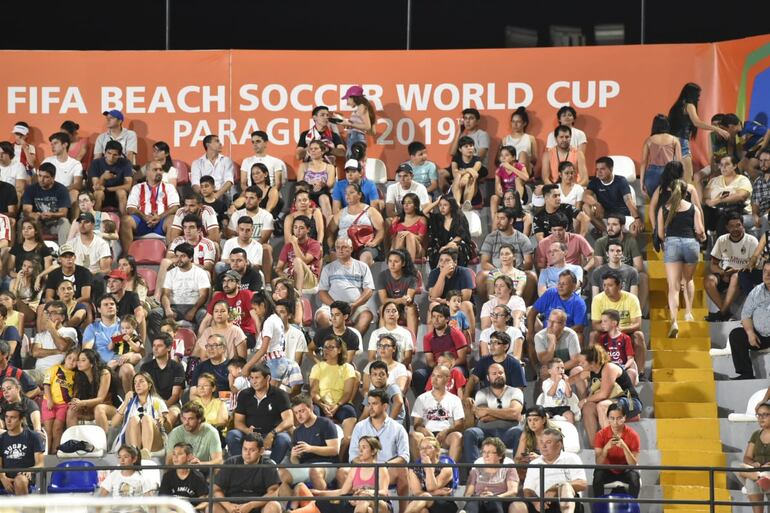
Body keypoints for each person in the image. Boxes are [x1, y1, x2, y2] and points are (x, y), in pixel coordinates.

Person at [345, 389, 410, 505]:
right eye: (368, 404)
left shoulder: (398, 428)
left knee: (403, 471)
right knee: (341, 472)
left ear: (385, 406)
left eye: (374, 404)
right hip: (364, 467)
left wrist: (383, 466)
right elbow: (353, 455)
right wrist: (366, 467)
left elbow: (404, 456)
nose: (370, 408)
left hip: (387, 469)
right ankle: (353, 506)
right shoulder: (359, 427)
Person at [658, 179, 706, 334]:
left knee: (674, 287)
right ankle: (689, 312)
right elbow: (699, 231)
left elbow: (660, 233)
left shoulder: (663, 209)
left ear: (670, 191)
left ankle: (674, 321)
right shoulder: (694, 209)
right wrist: (703, 236)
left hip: (672, 244)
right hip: (690, 244)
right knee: (688, 280)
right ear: (686, 193)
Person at [295, 435, 390, 513]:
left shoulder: (380, 468)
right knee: (365, 508)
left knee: (364, 502)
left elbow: (384, 492)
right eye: (359, 447)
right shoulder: (355, 468)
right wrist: (321, 493)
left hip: (380, 503)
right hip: (358, 503)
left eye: (364, 447)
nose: (360, 451)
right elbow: (342, 492)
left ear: (373, 451)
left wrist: (369, 492)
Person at [226, 364, 293, 463]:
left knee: (284, 438)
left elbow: (289, 420)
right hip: (250, 434)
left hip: (272, 434)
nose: (253, 381)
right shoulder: (244, 394)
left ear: (268, 378)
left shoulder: (280, 395)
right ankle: (243, 467)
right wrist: (247, 430)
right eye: (251, 378)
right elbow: (238, 422)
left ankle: (270, 468)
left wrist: (272, 433)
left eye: (257, 378)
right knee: (232, 435)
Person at [577, 345, 642, 443]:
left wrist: (585, 399)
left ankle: (612, 445)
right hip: (612, 402)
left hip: (630, 402)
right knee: (588, 408)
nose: (579, 364)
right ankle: (595, 446)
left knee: (602, 405)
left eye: (582, 362)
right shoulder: (592, 371)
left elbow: (604, 395)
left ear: (592, 363)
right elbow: (574, 379)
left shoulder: (609, 367)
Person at [462, 363, 524, 464]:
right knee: (470, 433)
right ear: (488, 377)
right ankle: (473, 472)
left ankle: (518, 471)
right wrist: (507, 414)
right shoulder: (481, 393)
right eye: (494, 373)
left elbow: (515, 413)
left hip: (508, 432)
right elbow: (483, 417)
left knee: (519, 431)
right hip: (485, 432)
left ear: (505, 375)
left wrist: (488, 410)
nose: (498, 375)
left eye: (500, 373)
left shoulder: (515, 391)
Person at [668, 83, 729, 183]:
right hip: (682, 143)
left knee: (675, 178)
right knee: (687, 179)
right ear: (691, 95)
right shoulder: (689, 106)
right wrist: (718, 129)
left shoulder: (676, 107)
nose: (698, 99)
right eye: (697, 96)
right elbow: (697, 122)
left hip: (671, 144)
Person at [279, 394, 340, 495]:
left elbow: (334, 450)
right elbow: (296, 463)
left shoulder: (326, 423)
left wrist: (311, 448)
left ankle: (324, 505)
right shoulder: (297, 432)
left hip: (328, 465)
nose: (299, 416)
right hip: (305, 466)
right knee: (280, 474)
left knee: (314, 471)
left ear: (311, 408)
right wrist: (294, 456)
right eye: (296, 412)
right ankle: (289, 507)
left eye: (302, 411)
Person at [589, 272, 646, 378]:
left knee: (639, 335)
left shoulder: (631, 299)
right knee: (593, 335)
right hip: (605, 332)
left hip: (625, 332)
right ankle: (594, 371)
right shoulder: (598, 299)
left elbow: (637, 324)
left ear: (620, 286)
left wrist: (619, 329)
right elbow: (595, 324)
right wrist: (610, 329)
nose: (606, 289)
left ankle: (640, 373)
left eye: (610, 285)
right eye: (604, 285)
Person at [704, 211, 758, 321]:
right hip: (725, 274)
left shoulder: (751, 241)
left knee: (736, 277)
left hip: (743, 276)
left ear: (743, 225)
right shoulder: (722, 240)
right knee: (708, 280)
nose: (735, 229)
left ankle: (721, 313)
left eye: (738, 225)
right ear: (727, 228)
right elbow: (713, 265)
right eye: (731, 226)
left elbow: (755, 266)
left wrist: (735, 271)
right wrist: (722, 272)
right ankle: (725, 312)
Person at [149, 243, 211, 337]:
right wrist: (167, 309)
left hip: (194, 307)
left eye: (183, 256)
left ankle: (199, 343)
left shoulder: (200, 273)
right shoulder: (170, 273)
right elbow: (165, 295)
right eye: (177, 256)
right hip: (175, 308)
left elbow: (204, 295)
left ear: (190, 258)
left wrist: (193, 310)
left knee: (204, 315)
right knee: (154, 313)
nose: (179, 259)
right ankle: (162, 341)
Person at [120, 159, 180, 255]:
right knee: (126, 220)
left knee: (173, 219)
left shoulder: (169, 187)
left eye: (160, 170)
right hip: (142, 222)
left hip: (161, 222)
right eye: (155, 170)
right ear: (147, 173)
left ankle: (170, 257)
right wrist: (145, 217)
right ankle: (127, 257)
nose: (159, 172)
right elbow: (130, 208)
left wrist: (159, 217)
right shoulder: (137, 188)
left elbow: (175, 207)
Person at [316, 238, 375, 335]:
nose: (340, 250)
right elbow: (322, 293)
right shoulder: (328, 268)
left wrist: (354, 305)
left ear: (351, 249)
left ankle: (352, 343)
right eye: (338, 247)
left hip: (356, 306)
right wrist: (336, 307)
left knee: (367, 316)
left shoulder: (362, 267)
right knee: (322, 316)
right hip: (332, 305)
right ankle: (335, 343)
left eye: (344, 247)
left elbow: (368, 291)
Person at [522, 428, 587, 513]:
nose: (543, 446)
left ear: (559, 445)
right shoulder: (534, 463)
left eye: (548, 442)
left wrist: (556, 488)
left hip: (566, 501)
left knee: (565, 487)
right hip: (542, 504)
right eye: (541, 442)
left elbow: (582, 483)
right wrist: (536, 502)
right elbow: (528, 490)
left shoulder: (571, 458)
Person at [214, 432, 282, 513]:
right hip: (232, 506)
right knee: (212, 507)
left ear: (261, 451)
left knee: (274, 506)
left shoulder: (268, 465)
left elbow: (273, 492)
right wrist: (228, 506)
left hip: (258, 506)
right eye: (245, 449)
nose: (247, 453)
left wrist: (251, 505)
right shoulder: (231, 462)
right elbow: (216, 489)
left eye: (252, 450)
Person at [411, 364, 464, 462]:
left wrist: (446, 431)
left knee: (457, 436)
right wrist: (424, 431)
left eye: (439, 376)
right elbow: (416, 424)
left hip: (446, 436)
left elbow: (459, 424)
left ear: (447, 379)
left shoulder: (455, 399)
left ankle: (450, 471)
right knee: (414, 435)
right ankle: (419, 469)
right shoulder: (421, 398)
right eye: (433, 376)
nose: (434, 379)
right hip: (427, 434)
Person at [478, 209, 534, 301]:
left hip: (517, 272)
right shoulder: (490, 237)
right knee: (481, 275)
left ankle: (524, 308)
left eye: (502, 218)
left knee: (531, 275)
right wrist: (501, 272)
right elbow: (484, 262)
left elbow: (529, 263)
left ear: (511, 221)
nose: (498, 222)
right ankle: (488, 304)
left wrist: (513, 271)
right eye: (497, 218)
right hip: (496, 271)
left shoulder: (522, 238)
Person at [309, 335, 358, 439]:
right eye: (325, 347)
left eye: (331, 347)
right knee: (313, 411)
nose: (327, 350)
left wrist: (336, 406)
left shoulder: (347, 368)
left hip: (340, 405)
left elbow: (347, 393)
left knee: (350, 411)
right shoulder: (318, 367)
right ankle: (315, 442)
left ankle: (346, 443)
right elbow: (314, 392)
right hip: (321, 404)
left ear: (339, 350)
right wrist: (323, 405)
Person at [728, 261, 770, 380]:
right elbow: (746, 315)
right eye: (765, 272)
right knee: (736, 335)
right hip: (759, 337)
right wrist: (750, 333)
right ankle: (746, 373)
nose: (767, 275)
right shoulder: (756, 291)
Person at [413, 304, 468, 393]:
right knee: (418, 374)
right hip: (437, 366)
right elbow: (429, 360)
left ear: (447, 319)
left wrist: (447, 366)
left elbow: (462, 359)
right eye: (434, 317)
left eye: (440, 317)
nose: (436, 320)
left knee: (456, 371)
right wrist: (439, 368)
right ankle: (425, 402)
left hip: (454, 365)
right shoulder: (427, 337)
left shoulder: (456, 334)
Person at [110, 372, 168, 456]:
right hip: (132, 439)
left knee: (146, 418)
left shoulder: (157, 401)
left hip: (154, 441)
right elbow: (114, 424)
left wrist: (163, 419)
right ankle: (135, 453)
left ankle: (145, 452)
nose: (137, 384)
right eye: (135, 382)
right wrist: (126, 402)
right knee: (134, 419)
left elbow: (168, 426)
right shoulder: (129, 401)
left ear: (149, 385)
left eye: (141, 381)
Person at [328, 183, 385, 267]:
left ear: (359, 195)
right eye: (346, 193)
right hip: (344, 245)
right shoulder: (340, 213)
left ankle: (362, 279)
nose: (348, 195)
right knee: (335, 255)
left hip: (364, 246)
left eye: (351, 192)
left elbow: (381, 229)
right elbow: (329, 230)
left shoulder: (370, 211)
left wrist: (375, 242)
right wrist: (332, 245)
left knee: (365, 256)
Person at [583, 157, 643, 236]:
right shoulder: (595, 182)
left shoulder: (621, 181)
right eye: (597, 169)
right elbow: (585, 196)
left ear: (611, 169)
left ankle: (625, 247)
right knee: (585, 206)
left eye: (602, 169)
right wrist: (596, 204)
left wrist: (637, 218)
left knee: (635, 228)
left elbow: (628, 200)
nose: (599, 172)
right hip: (606, 217)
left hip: (622, 216)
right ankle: (608, 234)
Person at [526, 271, 586, 348]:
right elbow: (533, 312)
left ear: (573, 287)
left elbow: (580, 326)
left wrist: (559, 334)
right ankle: (534, 360)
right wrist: (530, 332)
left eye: (564, 284)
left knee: (579, 337)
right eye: (559, 283)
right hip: (546, 331)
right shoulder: (551, 293)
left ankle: (576, 359)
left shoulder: (579, 303)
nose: (560, 286)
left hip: (566, 334)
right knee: (531, 336)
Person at [225, 186, 274, 281]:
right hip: (238, 247)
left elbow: (264, 238)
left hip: (257, 248)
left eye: (252, 198)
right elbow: (230, 235)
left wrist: (250, 247)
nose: (248, 201)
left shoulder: (266, 216)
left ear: (259, 199)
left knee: (267, 248)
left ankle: (267, 283)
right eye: (246, 198)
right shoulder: (237, 214)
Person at [592, 403, 641, 498]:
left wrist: (624, 447)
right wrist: (606, 448)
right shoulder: (600, 435)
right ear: (608, 418)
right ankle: (598, 506)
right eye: (612, 418)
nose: (615, 422)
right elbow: (598, 463)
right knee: (598, 474)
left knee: (634, 476)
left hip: (626, 470)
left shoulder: (633, 435)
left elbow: (633, 464)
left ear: (624, 418)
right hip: (607, 470)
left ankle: (633, 507)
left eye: (619, 418)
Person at [138, 333, 185, 430]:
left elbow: (175, 395)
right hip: (149, 402)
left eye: (159, 346)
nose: (155, 349)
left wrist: (162, 407)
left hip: (171, 404)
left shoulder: (177, 367)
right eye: (154, 346)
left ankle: (164, 441)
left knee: (172, 414)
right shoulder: (145, 367)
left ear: (169, 348)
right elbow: (142, 391)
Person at [198, 272, 254, 352]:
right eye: (224, 281)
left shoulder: (246, 294)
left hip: (245, 333)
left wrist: (259, 341)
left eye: (230, 281)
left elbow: (256, 318)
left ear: (238, 283)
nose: (226, 284)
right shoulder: (219, 296)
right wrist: (200, 340)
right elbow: (206, 321)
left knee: (227, 341)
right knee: (205, 341)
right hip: (224, 333)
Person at [465, 436, 522, 513]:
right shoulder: (476, 470)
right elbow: (468, 494)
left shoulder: (508, 469)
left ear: (500, 455)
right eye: (484, 452)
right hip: (479, 501)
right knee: (473, 503)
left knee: (493, 503)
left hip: (500, 501)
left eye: (489, 452)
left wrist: (494, 497)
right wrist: (480, 497)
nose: (486, 455)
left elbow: (513, 491)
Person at [402, 435, 458, 513]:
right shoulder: (413, 470)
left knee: (425, 496)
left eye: (428, 447)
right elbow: (417, 493)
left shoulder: (446, 468)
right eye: (422, 448)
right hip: (422, 503)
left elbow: (431, 487)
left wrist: (428, 467)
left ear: (437, 450)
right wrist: (436, 492)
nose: (424, 451)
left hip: (444, 504)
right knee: (423, 511)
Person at [67, 349, 117, 432]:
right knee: (72, 409)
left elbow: (100, 399)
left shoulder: (104, 373)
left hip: (107, 408)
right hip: (89, 410)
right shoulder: (79, 376)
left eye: (83, 360)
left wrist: (81, 402)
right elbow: (76, 396)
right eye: (78, 360)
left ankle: (104, 442)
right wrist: (75, 401)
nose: (79, 362)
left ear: (92, 363)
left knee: (99, 408)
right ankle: (72, 443)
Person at [0, 402, 44, 496]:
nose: (8, 421)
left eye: (13, 417)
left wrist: (31, 470)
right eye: (7, 417)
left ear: (21, 419)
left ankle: (23, 510)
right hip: (4, 476)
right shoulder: (1, 438)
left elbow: (40, 464)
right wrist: (3, 478)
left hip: (25, 478)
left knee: (20, 480)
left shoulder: (33, 436)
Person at [22, 162, 71, 245]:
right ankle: (25, 251)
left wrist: (52, 214)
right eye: (40, 176)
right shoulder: (31, 189)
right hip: (37, 223)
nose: (41, 179)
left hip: (54, 223)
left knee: (65, 222)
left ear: (53, 177)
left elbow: (64, 212)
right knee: (23, 221)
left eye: (46, 177)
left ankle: (63, 252)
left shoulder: (61, 189)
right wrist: (34, 214)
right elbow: (26, 210)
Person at [703, 154, 753, 236]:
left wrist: (718, 200)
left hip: (739, 211)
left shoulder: (742, 180)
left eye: (727, 164)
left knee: (725, 218)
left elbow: (741, 196)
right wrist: (709, 202)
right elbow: (705, 197)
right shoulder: (714, 180)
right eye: (721, 165)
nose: (723, 167)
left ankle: (722, 245)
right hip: (716, 211)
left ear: (735, 166)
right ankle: (703, 241)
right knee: (703, 210)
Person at [41, 348, 78, 454]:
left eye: (75, 360)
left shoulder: (75, 375)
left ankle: (54, 454)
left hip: (63, 405)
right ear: (65, 358)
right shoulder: (55, 368)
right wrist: (49, 400)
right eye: (70, 358)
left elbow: (74, 391)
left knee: (57, 429)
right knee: (48, 431)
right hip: (48, 402)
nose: (71, 361)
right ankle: (46, 455)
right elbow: (46, 384)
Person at [736, 401, 770, 513]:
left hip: (768, 470)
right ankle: (759, 478)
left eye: (765, 414)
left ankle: (759, 478)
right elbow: (747, 457)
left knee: (750, 482)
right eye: (759, 415)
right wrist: (752, 463)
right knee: (735, 465)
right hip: (757, 471)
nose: (761, 418)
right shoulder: (756, 434)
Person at [164, 401, 223, 466]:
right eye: (184, 418)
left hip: (202, 470)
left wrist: (200, 464)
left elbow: (218, 460)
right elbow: (169, 462)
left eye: (190, 419)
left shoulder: (211, 432)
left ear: (199, 419)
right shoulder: (175, 432)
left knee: (218, 468)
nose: (186, 422)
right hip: (180, 470)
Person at [377, 249, 419, 337]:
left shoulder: (411, 278)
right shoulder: (382, 276)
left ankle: (412, 343)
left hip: (405, 309)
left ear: (403, 263)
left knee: (411, 308)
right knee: (382, 309)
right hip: (389, 307)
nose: (392, 264)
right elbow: (384, 300)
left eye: (396, 261)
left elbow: (408, 299)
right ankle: (382, 339)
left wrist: (405, 299)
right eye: (390, 261)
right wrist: (400, 300)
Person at [424, 194, 473, 268]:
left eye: (445, 205)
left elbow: (460, 236)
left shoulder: (459, 217)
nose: (442, 208)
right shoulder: (438, 218)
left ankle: (455, 272)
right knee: (435, 250)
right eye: (440, 205)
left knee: (453, 248)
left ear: (451, 206)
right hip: (441, 245)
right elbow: (424, 212)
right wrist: (436, 202)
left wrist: (447, 247)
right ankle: (438, 273)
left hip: (457, 244)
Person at [639, 114, 682, 198]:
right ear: (667, 125)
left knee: (655, 204)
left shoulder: (649, 140)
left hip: (652, 174)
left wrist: (641, 183)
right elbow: (679, 163)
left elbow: (644, 162)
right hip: (670, 173)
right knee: (668, 204)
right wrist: (680, 179)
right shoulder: (674, 140)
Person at [276, 215, 322, 292]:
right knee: (275, 282)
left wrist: (294, 243)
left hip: (310, 279)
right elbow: (278, 268)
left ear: (308, 230)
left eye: (301, 228)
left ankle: (298, 293)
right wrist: (285, 276)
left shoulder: (314, 244)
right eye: (295, 227)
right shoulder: (288, 246)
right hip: (293, 277)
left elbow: (304, 261)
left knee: (297, 260)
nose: (298, 230)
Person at [33, 299, 78, 379]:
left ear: (62, 317)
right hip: (38, 373)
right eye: (47, 312)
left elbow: (62, 347)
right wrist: (56, 351)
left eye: (53, 313)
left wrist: (52, 329)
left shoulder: (70, 331)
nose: (49, 315)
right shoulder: (40, 335)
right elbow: (36, 353)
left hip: (58, 375)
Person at [87, 140, 133, 216]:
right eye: (109, 153)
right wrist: (103, 178)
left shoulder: (125, 163)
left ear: (119, 155)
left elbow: (128, 186)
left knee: (121, 192)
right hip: (101, 194)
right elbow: (96, 187)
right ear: (104, 153)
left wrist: (106, 189)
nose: (111, 157)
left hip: (116, 195)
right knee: (98, 193)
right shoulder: (96, 163)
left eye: (115, 155)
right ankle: (96, 221)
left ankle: (124, 220)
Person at [595, 310, 639, 386]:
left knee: (632, 373)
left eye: (605, 321)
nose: (602, 324)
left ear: (614, 323)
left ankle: (629, 396)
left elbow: (631, 359)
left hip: (622, 369)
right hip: (608, 369)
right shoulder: (602, 338)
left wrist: (624, 367)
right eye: (601, 321)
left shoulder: (625, 338)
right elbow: (600, 358)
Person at [42, 131, 84, 209]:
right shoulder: (47, 161)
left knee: (74, 192)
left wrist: (61, 190)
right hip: (48, 192)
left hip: (65, 193)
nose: (52, 147)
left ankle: (74, 220)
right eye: (51, 144)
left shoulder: (75, 164)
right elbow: (39, 180)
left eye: (55, 143)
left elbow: (78, 184)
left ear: (65, 145)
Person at [490, 146, 529, 224]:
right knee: (493, 198)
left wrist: (510, 168)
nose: (503, 158)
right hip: (505, 196)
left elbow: (526, 178)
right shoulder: (499, 170)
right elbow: (497, 191)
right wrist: (499, 189)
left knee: (518, 179)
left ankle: (518, 203)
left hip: (519, 195)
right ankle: (495, 222)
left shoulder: (519, 166)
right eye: (501, 155)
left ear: (513, 157)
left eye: (506, 155)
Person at [361, 358, 407, 423]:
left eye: (382, 374)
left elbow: (399, 403)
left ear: (387, 376)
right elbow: (365, 414)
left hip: (395, 425)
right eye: (375, 374)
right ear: (370, 377)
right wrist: (358, 428)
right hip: (379, 426)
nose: (378, 377)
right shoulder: (371, 393)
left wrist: (387, 423)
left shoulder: (392, 388)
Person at [191, 134, 235, 203]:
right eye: (217, 141)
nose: (220, 144)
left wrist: (216, 195)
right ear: (208, 145)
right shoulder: (197, 163)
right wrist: (206, 196)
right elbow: (195, 184)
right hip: (204, 196)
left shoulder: (226, 160)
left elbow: (229, 181)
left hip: (222, 194)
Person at [337, 85, 376, 155]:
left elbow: (367, 127)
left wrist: (350, 124)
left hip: (355, 138)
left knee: (353, 163)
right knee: (356, 163)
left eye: (347, 99)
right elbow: (372, 132)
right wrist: (351, 126)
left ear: (353, 97)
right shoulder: (365, 107)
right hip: (357, 138)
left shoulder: (361, 107)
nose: (347, 102)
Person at [450, 136, 483, 210]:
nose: (469, 148)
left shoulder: (477, 160)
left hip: (472, 191)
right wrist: (468, 170)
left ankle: (467, 202)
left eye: (471, 146)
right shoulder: (456, 159)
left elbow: (474, 171)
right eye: (466, 146)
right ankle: (457, 203)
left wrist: (466, 174)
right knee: (458, 176)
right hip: (458, 187)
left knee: (471, 176)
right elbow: (454, 174)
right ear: (460, 149)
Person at [502, 106, 538, 174]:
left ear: (524, 123)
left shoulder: (530, 138)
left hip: (525, 171)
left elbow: (534, 159)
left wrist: (520, 160)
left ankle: (519, 177)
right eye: (513, 121)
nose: (515, 124)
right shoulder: (505, 139)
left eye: (518, 122)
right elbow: (498, 159)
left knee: (523, 154)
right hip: (509, 169)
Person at [751, 149, 770, 234]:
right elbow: (755, 202)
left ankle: (765, 246)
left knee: (766, 218)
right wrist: (755, 214)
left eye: (766, 161)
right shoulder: (758, 181)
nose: (762, 163)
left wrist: (766, 213)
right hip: (761, 215)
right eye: (761, 161)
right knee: (739, 221)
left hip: (766, 215)